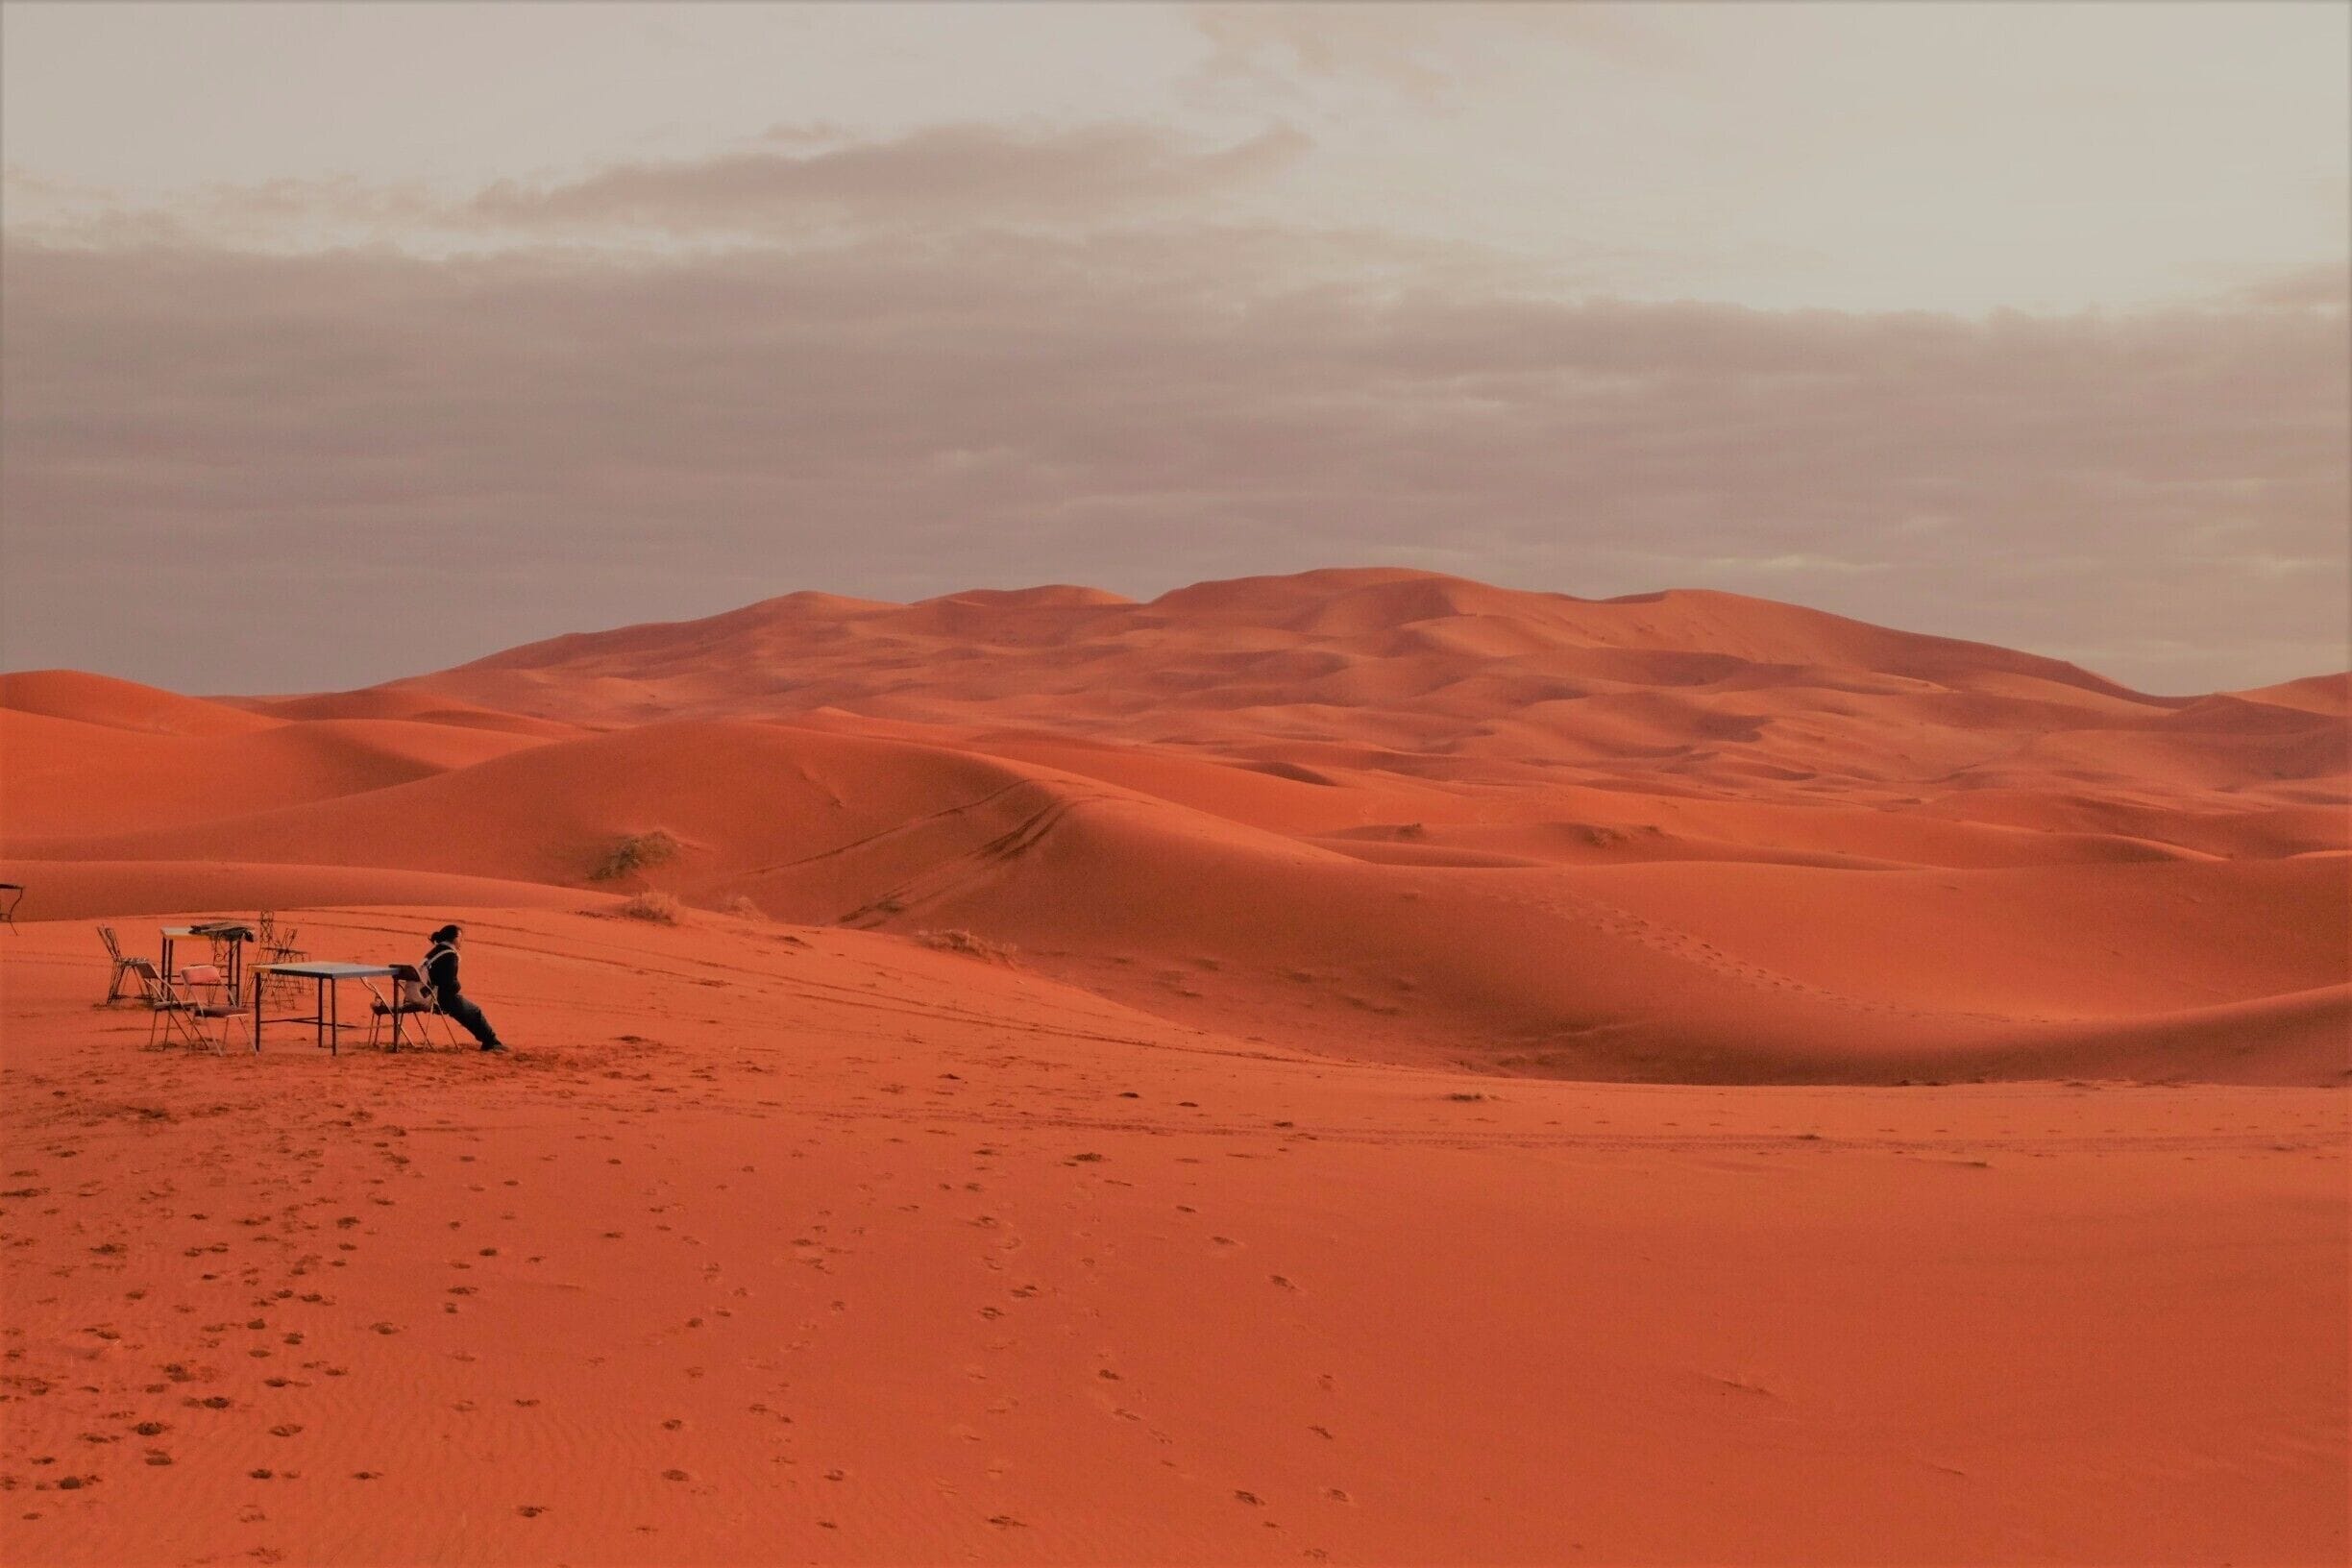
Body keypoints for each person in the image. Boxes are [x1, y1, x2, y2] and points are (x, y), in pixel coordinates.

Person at [424, 923, 507, 1052]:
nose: (462, 941)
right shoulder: (449, 955)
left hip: (428, 994)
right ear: (454, 938)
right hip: (440, 997)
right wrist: (458, 986)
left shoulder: (436, 951)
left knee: (468, 1011)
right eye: (460, 938)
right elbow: (449, 983)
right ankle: (491, 1042)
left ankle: (489, 1041)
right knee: (475, 1012)